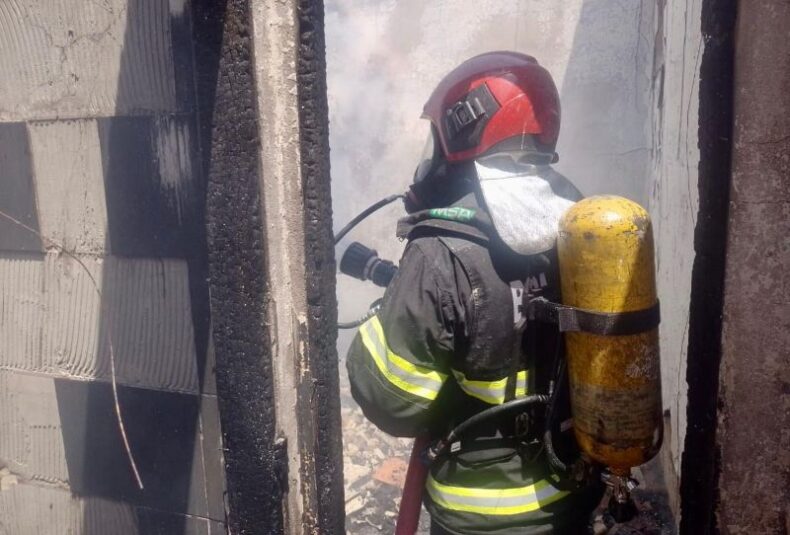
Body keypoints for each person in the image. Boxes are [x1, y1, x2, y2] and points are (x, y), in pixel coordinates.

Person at [346, 51, 604, 535]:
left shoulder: (440, 250)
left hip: (481, 514)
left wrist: (379, 323)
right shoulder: (580, 218)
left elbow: (393, 402)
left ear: (464, 130)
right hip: (571, 493)